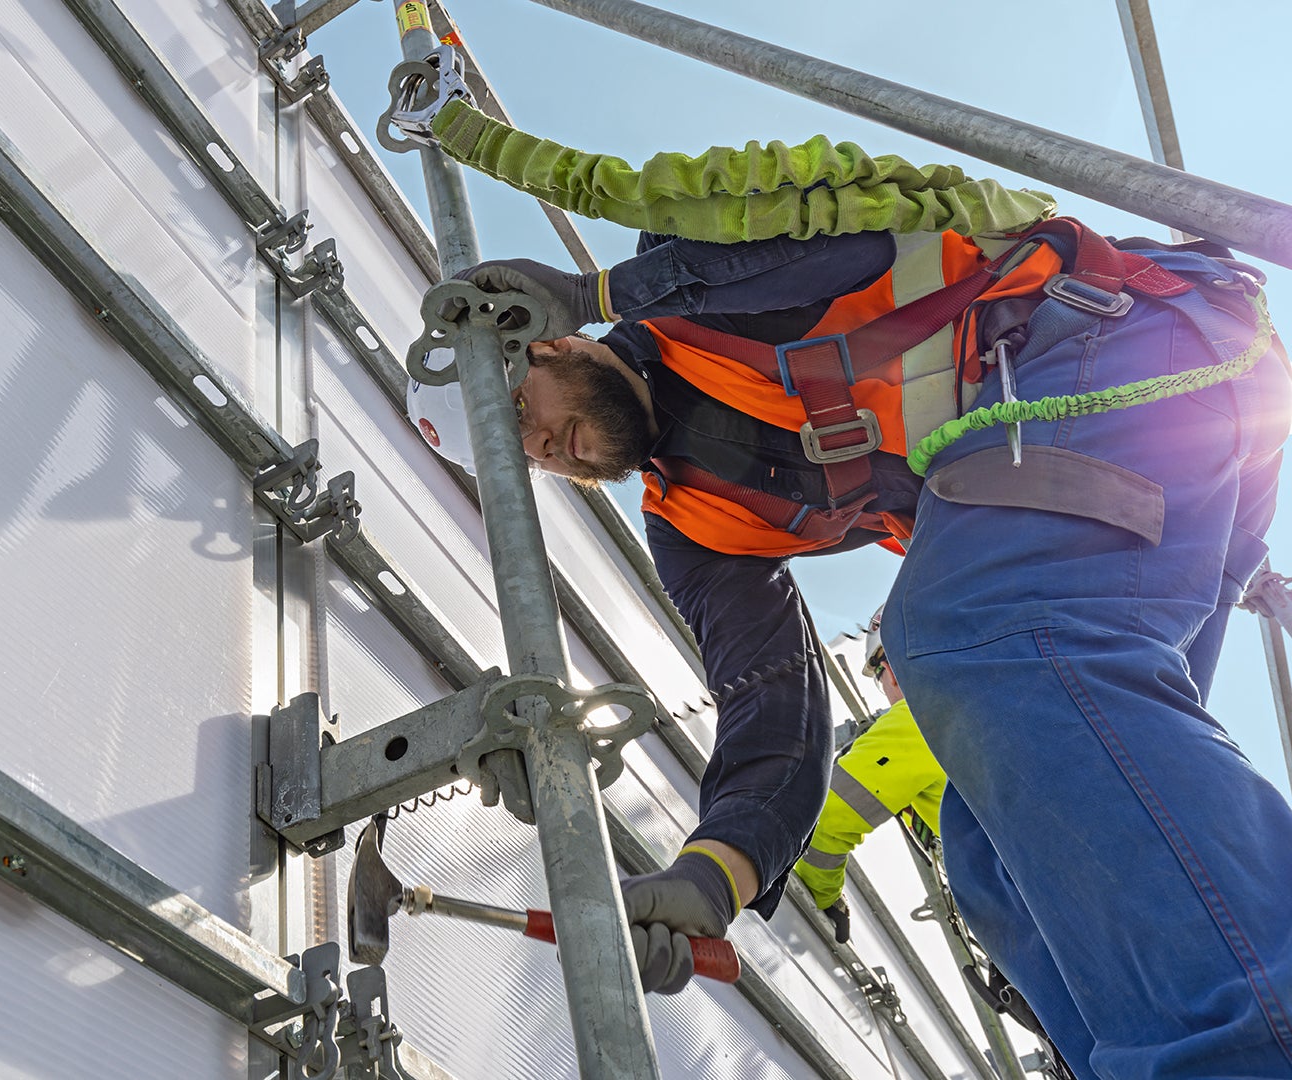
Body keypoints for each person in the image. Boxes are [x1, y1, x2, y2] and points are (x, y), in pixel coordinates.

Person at [407, 221, 1292, 1076]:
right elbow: (773, 708)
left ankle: (1253, 1048)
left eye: (520, 409)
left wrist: (599, 290)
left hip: (1120, 337)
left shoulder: (691, 284)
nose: (543, 447)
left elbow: (838, 245)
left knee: (983, 635)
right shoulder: (695, 525)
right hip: (1165, 468)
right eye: (518, 453)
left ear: (553, 344)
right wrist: (717, 874)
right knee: (995, 843)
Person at [790, 606, 941, 945]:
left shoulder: (922, 716)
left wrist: (825, 896)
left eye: (878, 679)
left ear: (891, 670)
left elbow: (824, 817)